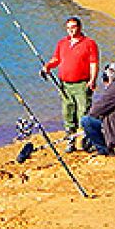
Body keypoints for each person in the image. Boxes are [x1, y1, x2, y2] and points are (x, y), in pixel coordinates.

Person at [43, 16, 100, 153]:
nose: (71, 31)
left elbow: (94, 63)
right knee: (68, 113)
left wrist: (92, 80)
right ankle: (71, 141)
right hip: (65, 85)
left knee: (83, 113)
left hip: (82, 84)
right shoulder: (62, 43)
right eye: (68, 28)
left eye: (74, 27)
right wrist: (48, 66)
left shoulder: (89, 43)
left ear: (80, 27)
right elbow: (56, 58)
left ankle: (87, 141)